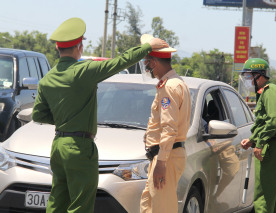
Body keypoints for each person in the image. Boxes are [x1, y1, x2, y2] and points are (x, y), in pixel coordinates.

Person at [32, 18, 168, 213]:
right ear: (79, 47)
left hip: (58, 146)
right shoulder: (83, 71)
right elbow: (119, 62)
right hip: (79, 148)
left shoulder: (47, 79)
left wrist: (65, 119)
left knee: (57, 202)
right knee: (81, 205)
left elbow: (38, 114)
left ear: (58, 48)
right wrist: (147, 47)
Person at [139, 34, 191, 213]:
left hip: (166, 157)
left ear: (154, 63)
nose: (147, 69)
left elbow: (169, 128)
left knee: (161, 209)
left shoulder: (169, 86)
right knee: (149, 205)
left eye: (147, 64)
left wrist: (161, 161)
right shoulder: (174, 83)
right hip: (165, 156)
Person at [240, 58, 276, 213]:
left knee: (263, 194)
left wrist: (260, 144)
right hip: (270, 144)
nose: (247, 80)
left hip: (271, 146)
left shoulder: (270, 91)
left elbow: (272, 121)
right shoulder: (265, 92)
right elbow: (264, 122)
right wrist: (252, 140)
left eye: (248, 76)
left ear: (258, 76)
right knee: (271, 192)